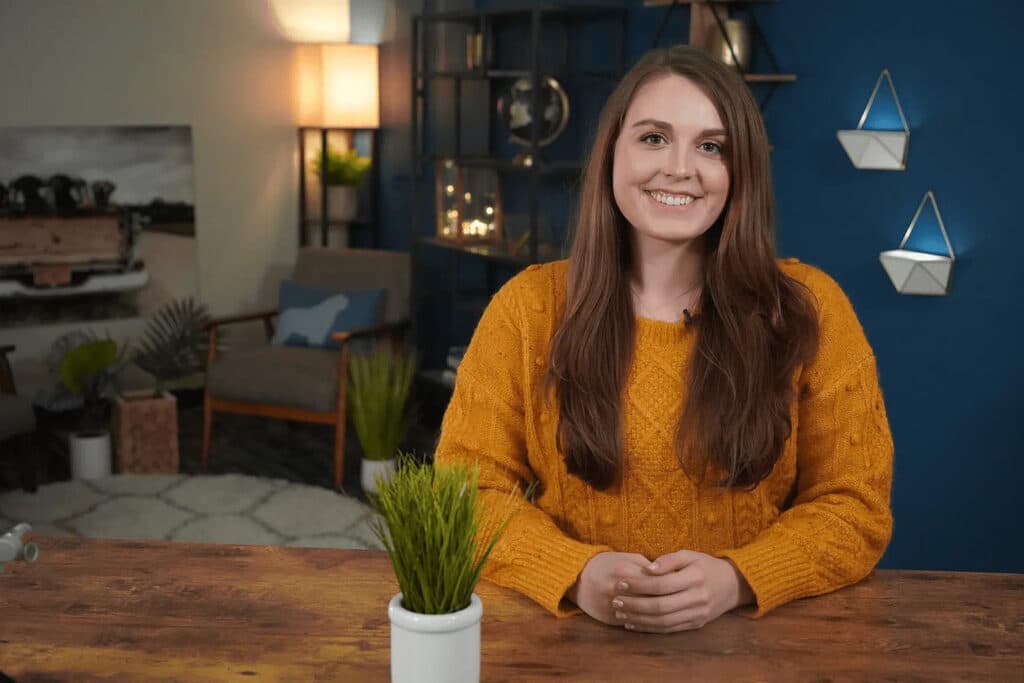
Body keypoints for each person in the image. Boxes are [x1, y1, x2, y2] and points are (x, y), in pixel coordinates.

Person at [434, 45, 893, 634]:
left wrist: (737, 578)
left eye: (711, 146)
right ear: (612, 154)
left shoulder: (809, 308)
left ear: (740, 171)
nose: (679, 168)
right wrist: (576, 572)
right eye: (653, 138)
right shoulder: (528, 309)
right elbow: (465, 489)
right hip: (566, 639)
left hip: (756, 641)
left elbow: (856, 506)